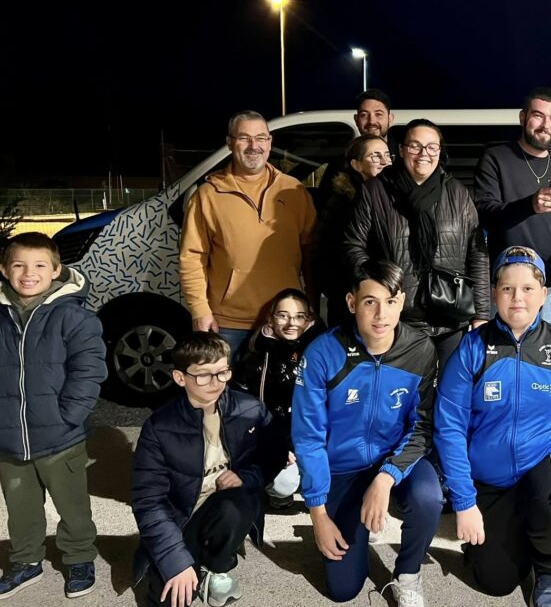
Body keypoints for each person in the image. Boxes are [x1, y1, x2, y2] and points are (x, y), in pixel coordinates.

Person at [435, 246, 551, 607]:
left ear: (544, 294)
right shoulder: (471, 349)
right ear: (495, 293)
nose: (518, 298)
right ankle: (512, 534)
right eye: (507, 288)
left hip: (543, 464)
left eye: (528, 288)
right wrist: (464, 502)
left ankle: (548, 570)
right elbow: (449, 427)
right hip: (490, 478)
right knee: (494, 581)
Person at [292, 260, 442, 605]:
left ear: (402, 301)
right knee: (343, 590)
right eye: (370, 301)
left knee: (428, 497)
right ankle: (354, 520)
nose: (381, 314)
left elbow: (422, 425)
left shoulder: (420, 351)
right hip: (342, 468)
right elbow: (308, 437)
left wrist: (387, 477)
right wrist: (318, 515)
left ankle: (408, 574)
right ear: (351, 302)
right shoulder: (323, 353)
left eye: (390, 302)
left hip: (392, 460)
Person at [132, 332, 277, 607]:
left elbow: (273, 456)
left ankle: (217, 565)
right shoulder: (159, 427)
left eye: (222, 372)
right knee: (168, 597)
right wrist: (176, 561)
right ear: (179, 378)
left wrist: (247, 476)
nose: (216, 383)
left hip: (226, 506)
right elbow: (148, 501)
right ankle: (187, 561)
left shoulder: (250, 409)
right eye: (203, 375)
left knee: (236, 505)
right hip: (182, 518)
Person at [0, 232, 106, 600]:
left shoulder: (73, 316)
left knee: (73, 506)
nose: (29, 273)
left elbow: (89, 369)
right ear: (4, 269)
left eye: (39, 265)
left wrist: (70, 416)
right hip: (9, 437)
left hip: (62, 436)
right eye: (19, 265)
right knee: (20, 507)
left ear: (57, 270)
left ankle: (79, 557)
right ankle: (25, 560)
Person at [343, 118, 491, 366]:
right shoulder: (376, 191)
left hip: (451, 318)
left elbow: (476, 254)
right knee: (401, 395)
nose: (424, 154)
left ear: (440, 152)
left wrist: (482, 314)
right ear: (401, 150)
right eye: (415, 146)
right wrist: (380, 287)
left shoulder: (457, 193)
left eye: (432, 147)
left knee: (449, 396)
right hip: (398, 320)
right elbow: (353, 246)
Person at [179, 110, 318, 357]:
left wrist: (311, 304)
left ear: (270, 142)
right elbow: (192, 258)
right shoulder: (208, 196)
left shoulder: (294, 191)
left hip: (285, 322)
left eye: (261, 138)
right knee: (225, 392)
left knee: (280, 394)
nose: (254, 146)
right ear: (230, 142)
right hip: (227, 323)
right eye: (244, 138)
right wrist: (200, 310)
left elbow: (311, 252)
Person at [474, 87, 551, 324]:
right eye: (538, 115)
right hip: (505, 284)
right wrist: (530, 205)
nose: (546, 124)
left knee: (543, 359)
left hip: (548, 285)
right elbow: (484, 212)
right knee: (500, 357)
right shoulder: (496, 158)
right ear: (522, 117)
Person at [232, 288, 324, 509]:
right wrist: (278, 446)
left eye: (299, 316)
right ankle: (280, 493)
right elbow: (244, 408)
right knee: (284, 483)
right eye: (283, 315)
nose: (291, 323)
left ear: (309, 320)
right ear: (271, 318)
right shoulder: (257, 351)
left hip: (314, 438)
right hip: (275, 436)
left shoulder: (323, 350)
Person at [314, 134, 393, 328]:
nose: (384, 161)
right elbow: (325, 255)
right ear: (357, 165)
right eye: (375, 156)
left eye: (387, 155)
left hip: (389, 298)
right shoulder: (343, 203)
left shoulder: (397, 198)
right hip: (350, 302)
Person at [316, 89, 397, 206]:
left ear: (390, 118)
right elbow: (325, 206)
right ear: (356, 119)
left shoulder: (404, 157)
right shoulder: (341, 163)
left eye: (378, 114)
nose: (371, 121)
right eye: (364, 115)